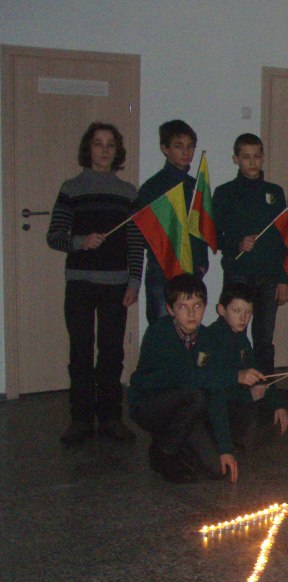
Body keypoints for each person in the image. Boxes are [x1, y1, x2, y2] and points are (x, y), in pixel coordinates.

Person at [47, 122, 144, 446]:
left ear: (117, 151)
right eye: (98, 143)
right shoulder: (71, 188)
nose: (104, 150)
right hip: (80, 284)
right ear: (88, 148)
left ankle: (111, 418)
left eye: (110, 144)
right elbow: (54, 236)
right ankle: (81, 420)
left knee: (112, 353)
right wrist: (80, 241)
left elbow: (135, 243)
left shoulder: (128, 193)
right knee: (81, 352)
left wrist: (134, 282)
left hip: (117, 285)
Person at [128, 274, 239, 483]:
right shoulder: (159, 333)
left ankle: (174, 442)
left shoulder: (208, 338)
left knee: (217, 470)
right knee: (196, 396)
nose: (191, 313)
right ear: (170, 310)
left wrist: (225, 449)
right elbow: (185, 376)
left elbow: (216, 392)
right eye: (182, 307)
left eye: (197, 306)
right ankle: (163, 452)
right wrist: (236, 376)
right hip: (150, 404)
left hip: (185, 407)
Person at [213, 133, 288, 374]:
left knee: (264, 338)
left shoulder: (275, 193)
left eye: (256, 156)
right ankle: (233, 383)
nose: (252, 162)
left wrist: (284, 278)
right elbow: (213, 235)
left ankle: (264, 385)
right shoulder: (224, 192)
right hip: (238, 274)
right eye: (246, 157)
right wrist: (237, 244)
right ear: (236, 159)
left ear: (263, 156)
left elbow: (283, 239)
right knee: (234, 333)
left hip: (269, 276)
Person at [133, 119, 209, 324]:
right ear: (165, 149)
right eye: (178, 146)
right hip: (162, 269)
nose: (186, 152)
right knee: (161, 327)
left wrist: (202, 264)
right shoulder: (152, 188)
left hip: (191, 269)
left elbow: (202, 229)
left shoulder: (195, 186)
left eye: (190, 146)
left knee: (189, 327)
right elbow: (141, 233)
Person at [208, 282, 288, 451]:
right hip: (221, 402)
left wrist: (277, 403)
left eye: (248, 313)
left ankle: (252, 429)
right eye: (236, 311)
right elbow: (214, 389)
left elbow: (257, 372)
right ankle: (235, 436)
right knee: (248, 411)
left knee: (284, 397)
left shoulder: (240, 337)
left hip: (241, 395)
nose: (243, 318)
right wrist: (249, 396)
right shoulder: (213, 338)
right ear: (221, 310)